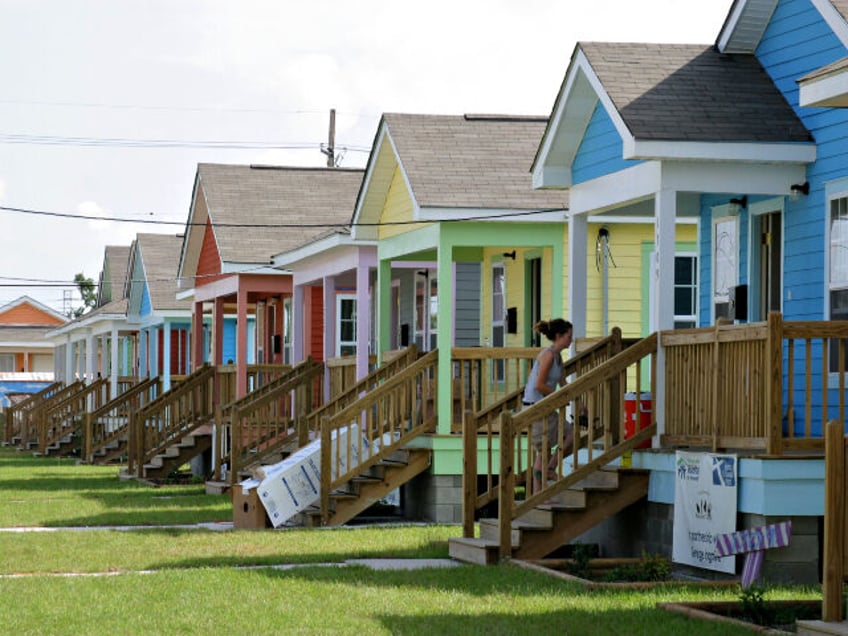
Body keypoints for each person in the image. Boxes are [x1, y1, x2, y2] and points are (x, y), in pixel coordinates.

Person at [523, 318, 575, 494]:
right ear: (559, 336)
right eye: (569, 336)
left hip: (547, 407)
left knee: (571, 434)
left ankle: (550, 468)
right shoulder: (547, 355)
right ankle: (539, 495)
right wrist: (559, 398)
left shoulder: (558, 358)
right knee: (543, 451)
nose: (571, 340)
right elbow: (539, 384)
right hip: (535, 408)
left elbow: (563, 383)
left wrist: (579, 403)